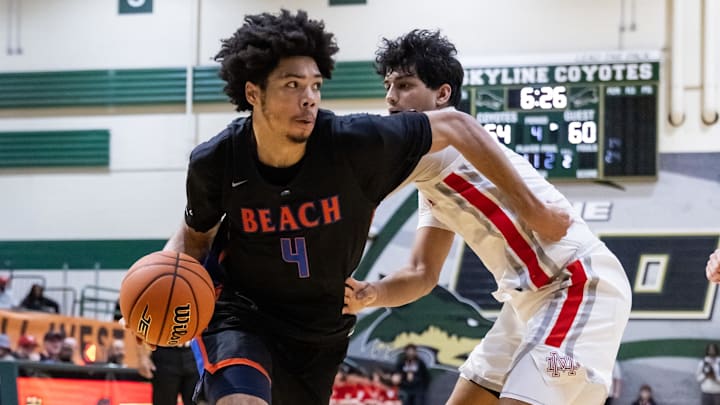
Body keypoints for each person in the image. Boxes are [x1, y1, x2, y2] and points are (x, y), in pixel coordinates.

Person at [126, 10, 570, 405]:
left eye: (315, 85)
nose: (309, 98)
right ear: (253, 93)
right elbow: (194, 239)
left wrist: (534, 208)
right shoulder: (216, 160)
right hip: (242, 313)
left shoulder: (354, 145)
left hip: (321, 327)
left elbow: (456, 123)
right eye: (292, 85)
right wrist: (146, 320)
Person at [343, 29, 632, 405]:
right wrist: (373, 294)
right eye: (388, 85)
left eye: (405, 84)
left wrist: (534, 210)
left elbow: (350, 172)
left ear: (442, 95)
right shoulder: (435, 175)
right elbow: (421, 274)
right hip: (525, 306)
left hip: (577, 285)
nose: (391, 97)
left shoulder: (441, 144)